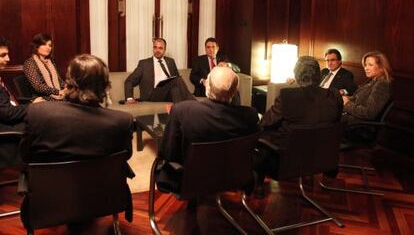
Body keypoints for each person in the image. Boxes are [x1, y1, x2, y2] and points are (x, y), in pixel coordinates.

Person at [155, 66, 260, 193]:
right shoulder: (250, 115)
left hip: (191, 180)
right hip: (234, 177)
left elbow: (167, 152)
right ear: (234, 92)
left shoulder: (182, 111)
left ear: (207, 87)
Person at [254, 56, 343, 197]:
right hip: (323, 158)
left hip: (287, 162)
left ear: (296, 75)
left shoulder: (287, 96)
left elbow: (266, 122)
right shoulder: (334, 96)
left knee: (260, 137)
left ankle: (257, 185)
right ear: (319, 75)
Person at [21, 54, 134, 163]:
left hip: (51, 182)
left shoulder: (36, 113)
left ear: (67, 83)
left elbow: (25, 156)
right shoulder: (123, 121)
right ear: (105, 87)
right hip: (103, 182)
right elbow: (125, 156)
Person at [0, 37, 43, 168]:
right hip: (5, 129)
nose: (8, 59)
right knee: (44, 126)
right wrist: (32, 106)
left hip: (9, 119)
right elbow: (6, 113)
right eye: (3, 55)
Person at [124, 38, 194, 103]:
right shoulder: (144, 64)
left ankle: (179, 112)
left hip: (168, 93)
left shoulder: (171, 61)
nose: (157, 50)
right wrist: (129, 98)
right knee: (177, 79)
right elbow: (129, 81)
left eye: (160, 48)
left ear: (164, 50)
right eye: (155, 47)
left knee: (175, 89)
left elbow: (177, 82)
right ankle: (194, 103)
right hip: (153, 94)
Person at [342, 51, 392, 126]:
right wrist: (344, 98)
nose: (366, 68)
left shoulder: (382, 84)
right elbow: (358, 99)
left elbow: (369, 113)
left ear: (381, 68)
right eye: (365, 65)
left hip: (357, 125)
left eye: (370, 65)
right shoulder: (372, 81)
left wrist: (347, 104)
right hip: (351, 118)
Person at [23, 33, 65, 101]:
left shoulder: (51, 62)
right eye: (44, 44)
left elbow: (60, 81)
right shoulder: (29, 63)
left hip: (55, 95)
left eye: (50, 45)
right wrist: (57, 92)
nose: (48, 48)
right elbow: (38, 86)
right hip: (41, 98)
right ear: (37, 46)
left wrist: (67, 88)